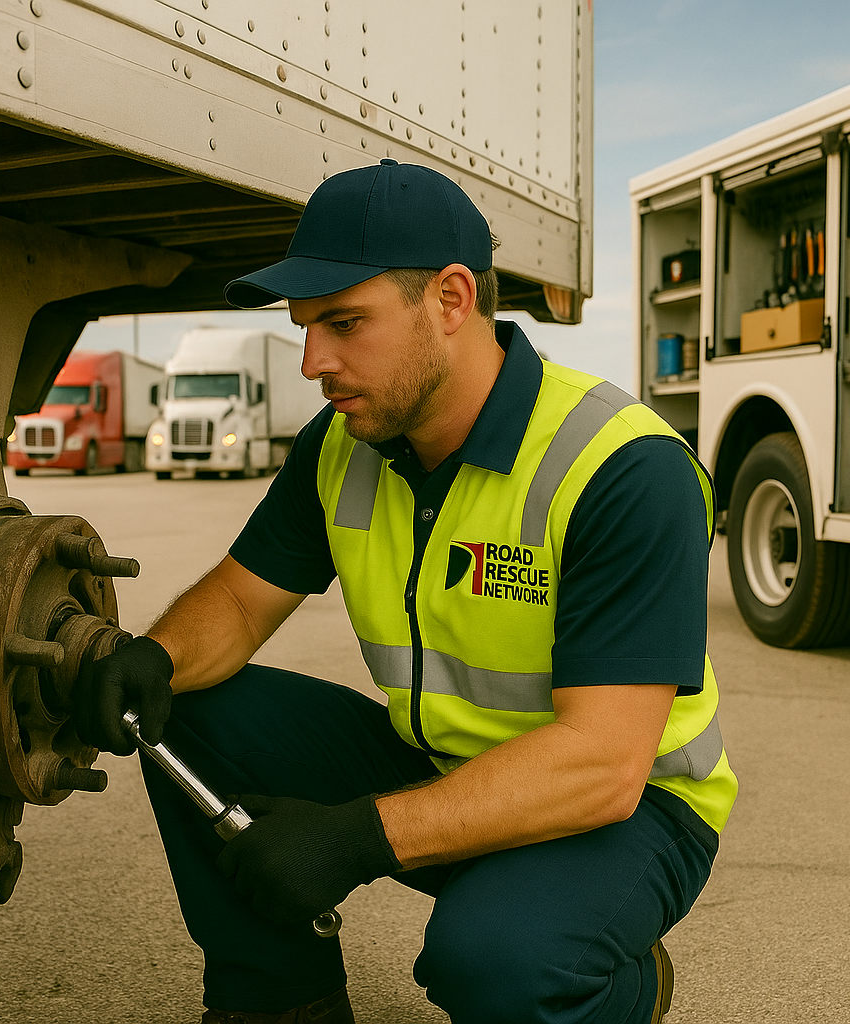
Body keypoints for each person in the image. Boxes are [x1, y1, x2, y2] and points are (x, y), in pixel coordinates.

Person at [72, 158, 738, 1024]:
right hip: (438, 763)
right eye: (306, 326)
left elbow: (603, 765)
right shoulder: (345, 442)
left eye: (345, 323)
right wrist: (152, 658)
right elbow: (238, 606)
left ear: (452, 301)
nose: (314, 360)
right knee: (189, 707)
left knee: (496, 961)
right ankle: (279, 1002)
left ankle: (624, 983)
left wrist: (353, 837)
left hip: (622, 811)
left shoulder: (621, 466)